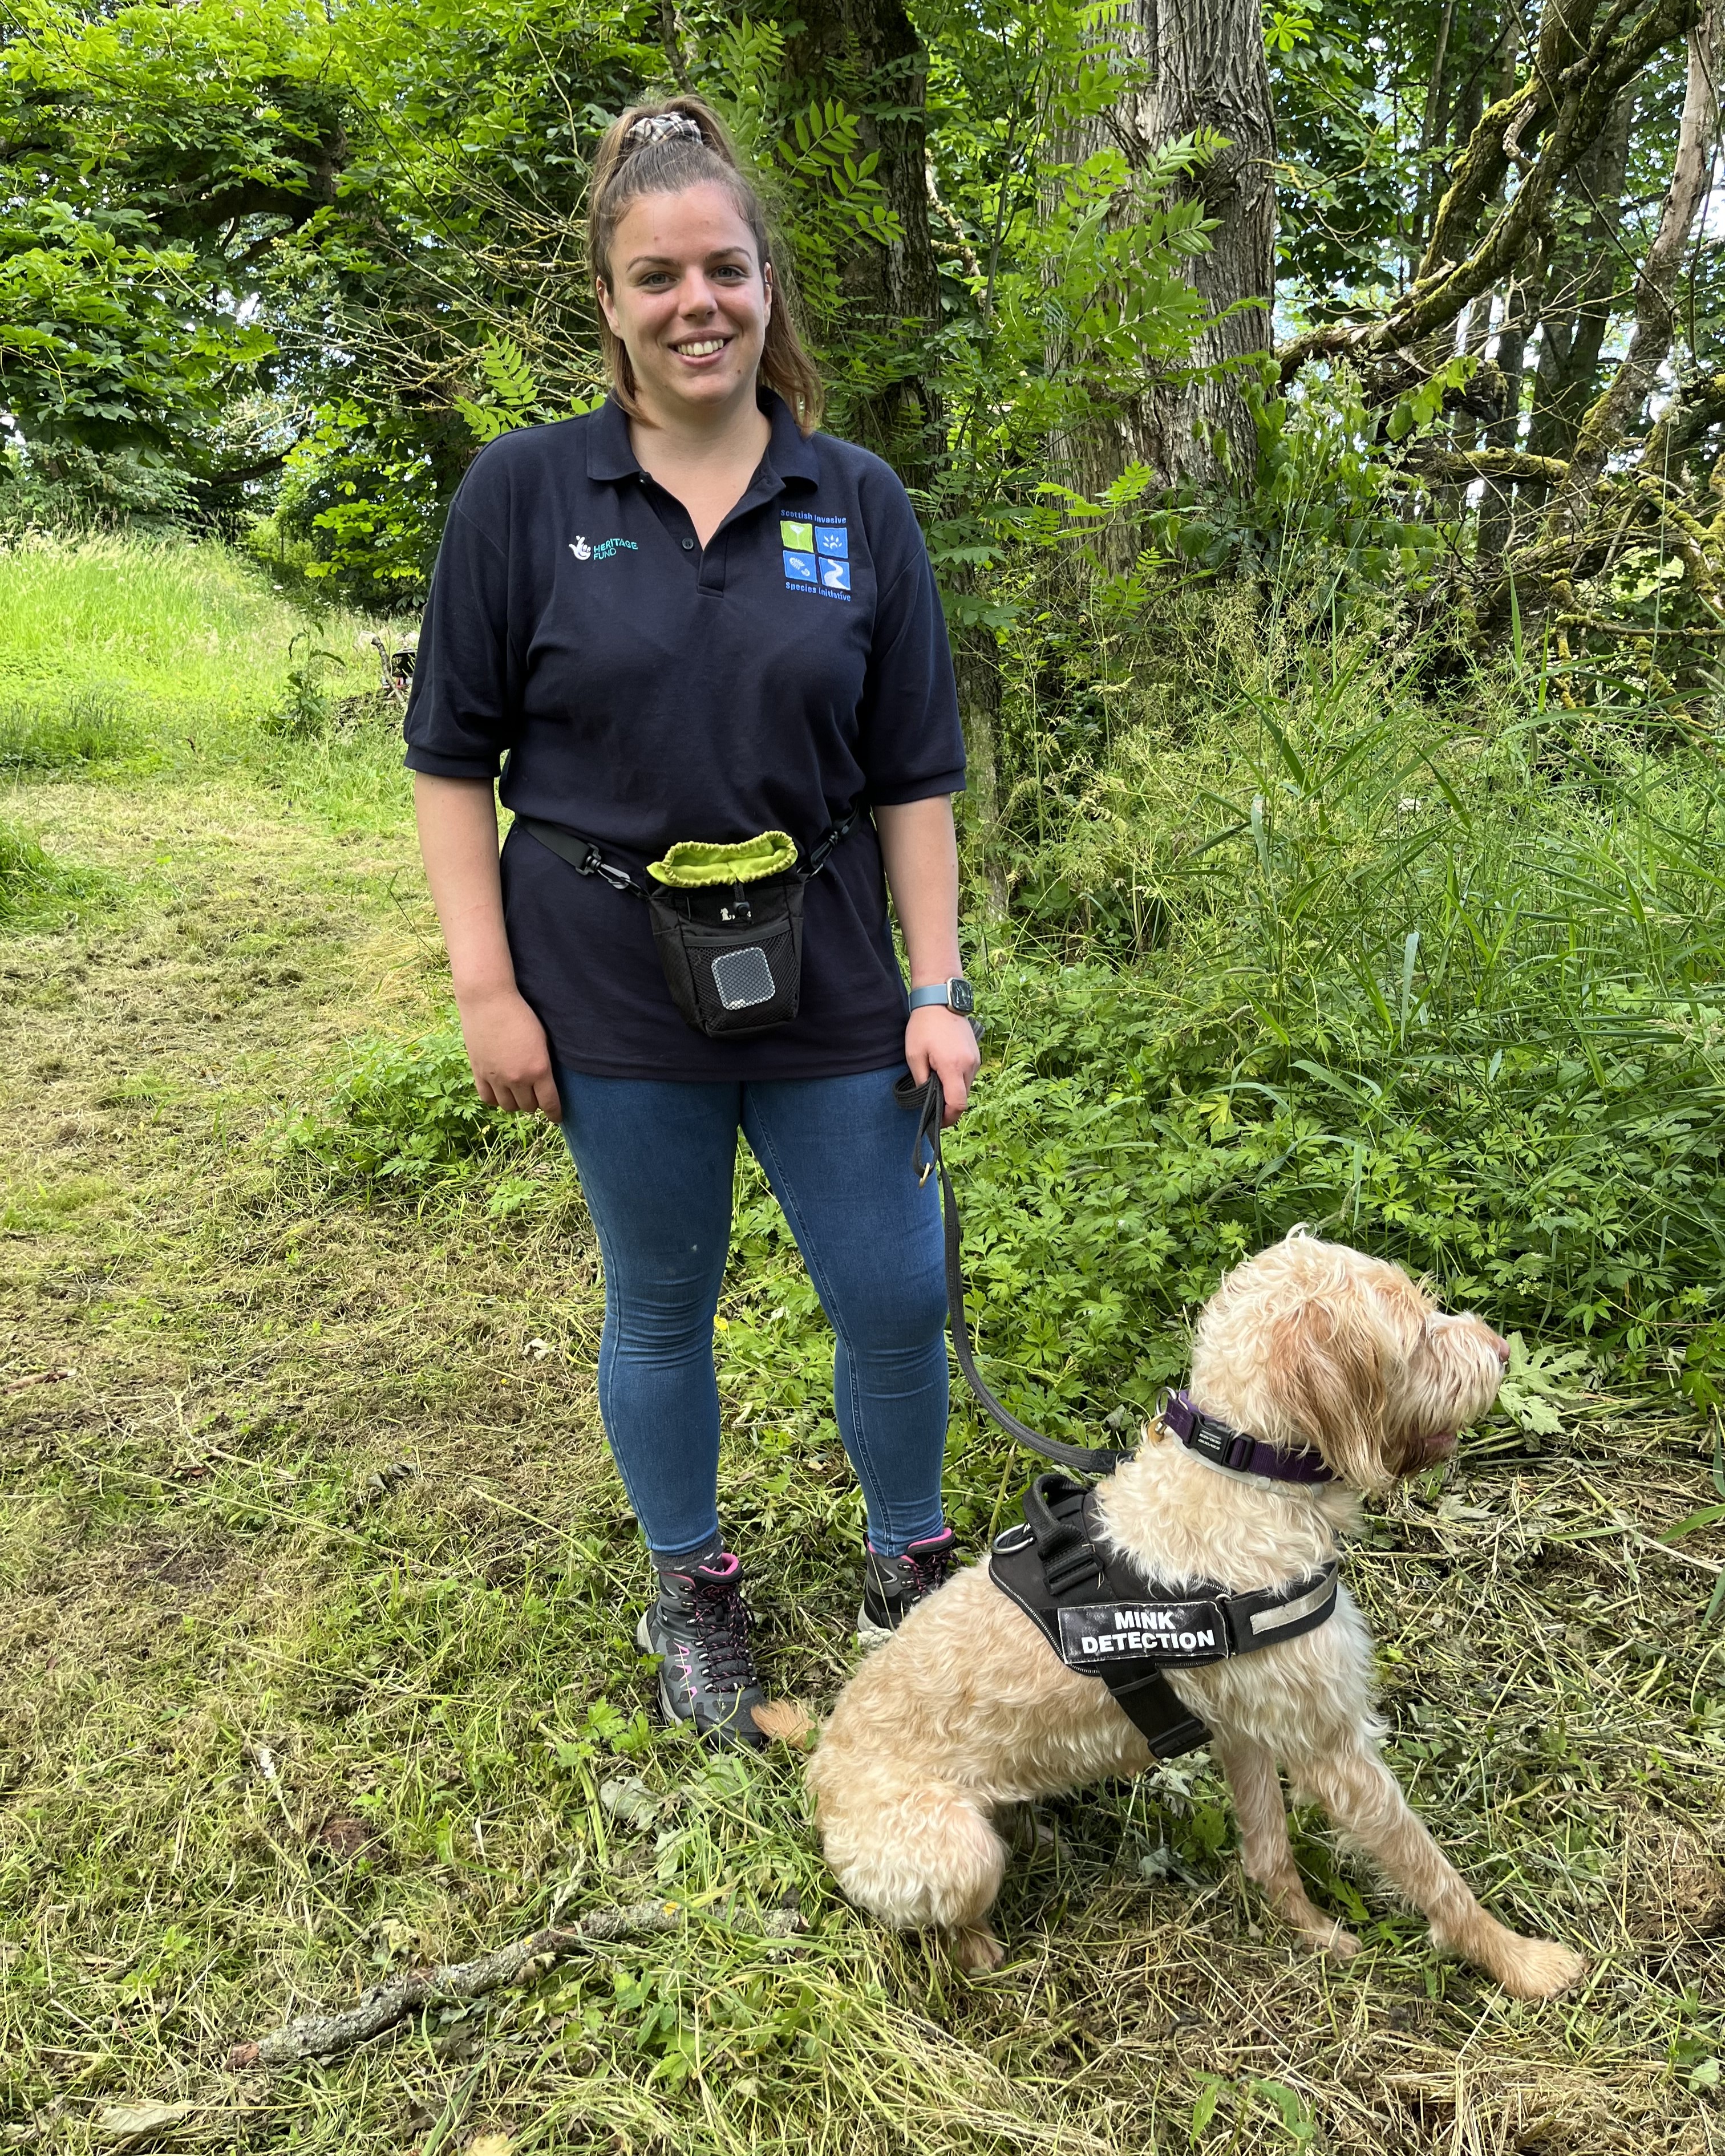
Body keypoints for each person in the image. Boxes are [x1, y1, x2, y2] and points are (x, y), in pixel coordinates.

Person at [405, 96, 981, 1747]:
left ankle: (911, 1565)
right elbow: (453, 759)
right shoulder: (525, 495)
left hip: (828, 966)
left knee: (890, 1287)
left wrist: (935, 987)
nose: (696, 304)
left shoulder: (855, 499)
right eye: (657, 277)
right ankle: (694, 1587)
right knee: (660, 1296)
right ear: (609, 300)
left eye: (724, 269)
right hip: (600, 963)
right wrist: (484, 989)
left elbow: (916, 783)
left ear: (766, 282)